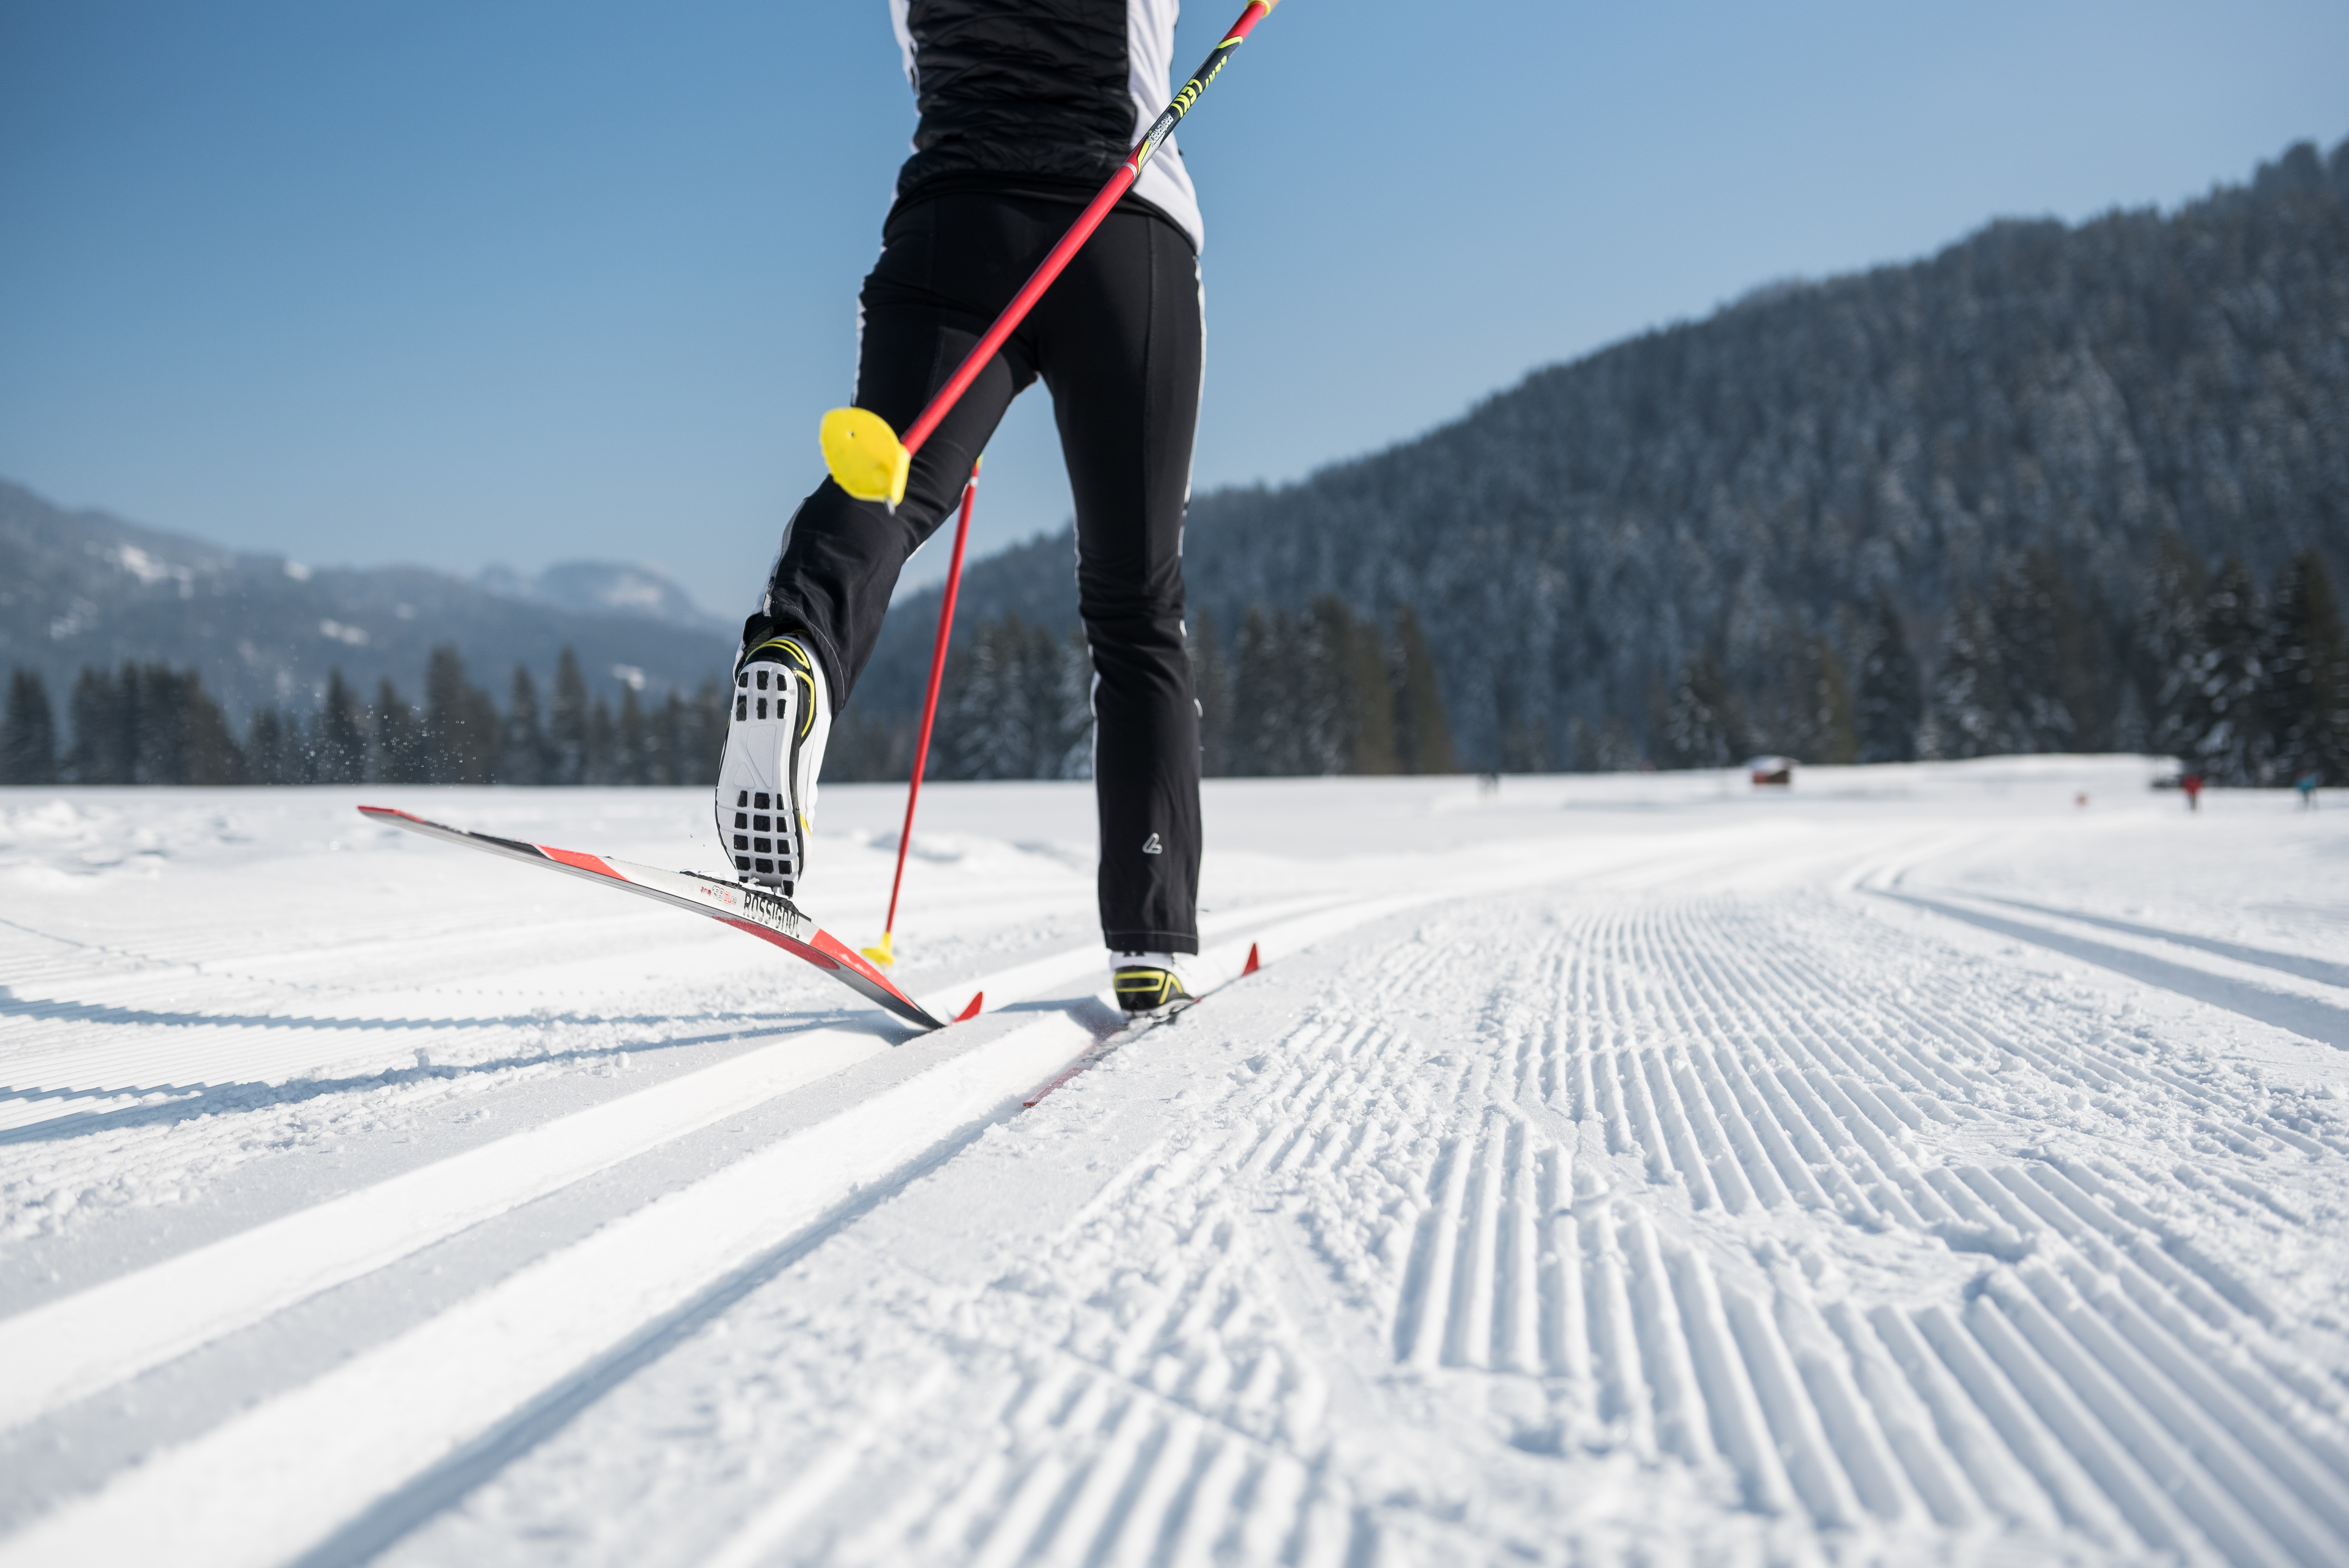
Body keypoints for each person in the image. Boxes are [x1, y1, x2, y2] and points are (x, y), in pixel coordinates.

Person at [715, 0, 1208, 1014]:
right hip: (1119, 230)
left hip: (954, 233)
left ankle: (798, 649)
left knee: (886, 482)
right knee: (1134, 604)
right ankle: (1149, 937)